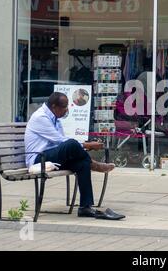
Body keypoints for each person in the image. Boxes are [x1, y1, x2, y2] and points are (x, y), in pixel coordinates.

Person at [25, 92, 124, 220]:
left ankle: (85, 207)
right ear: (54, 106)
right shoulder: (41, 117)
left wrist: (84, 146)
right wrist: (87, 145)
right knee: (71, 144)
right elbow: (60, 141)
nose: (67, 110)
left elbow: (62, 142)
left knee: (82, 164)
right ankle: (94, 164)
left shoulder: (54, 117)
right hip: (39, 159)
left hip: (53, 157)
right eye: (64, 107)